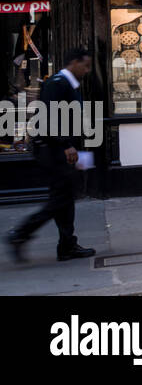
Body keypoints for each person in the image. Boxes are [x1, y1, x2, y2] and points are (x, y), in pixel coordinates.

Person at [6, 48, 96, 262]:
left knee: (65, 197)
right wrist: (65, 144)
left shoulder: (67, 84)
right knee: (60, 199)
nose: (87, 70)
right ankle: (20, 234)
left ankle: (66, 246)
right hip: (54, 151)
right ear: (73, 63)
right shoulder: (57, 84)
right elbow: (48, 117)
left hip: (63, 150)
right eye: (85, 65)